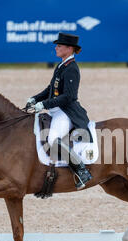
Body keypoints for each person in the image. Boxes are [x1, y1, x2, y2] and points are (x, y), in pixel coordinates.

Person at [27, 32, 92, 190]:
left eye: (59, 46)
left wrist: (45, 105)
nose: (56, 48)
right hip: (55, 109)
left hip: (66, 112)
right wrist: (36, 99)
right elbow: (51, 88)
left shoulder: (72, 69)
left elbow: (69, 96)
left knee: (52, 139)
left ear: (69, 49)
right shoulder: (62, 65)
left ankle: (81, 170)